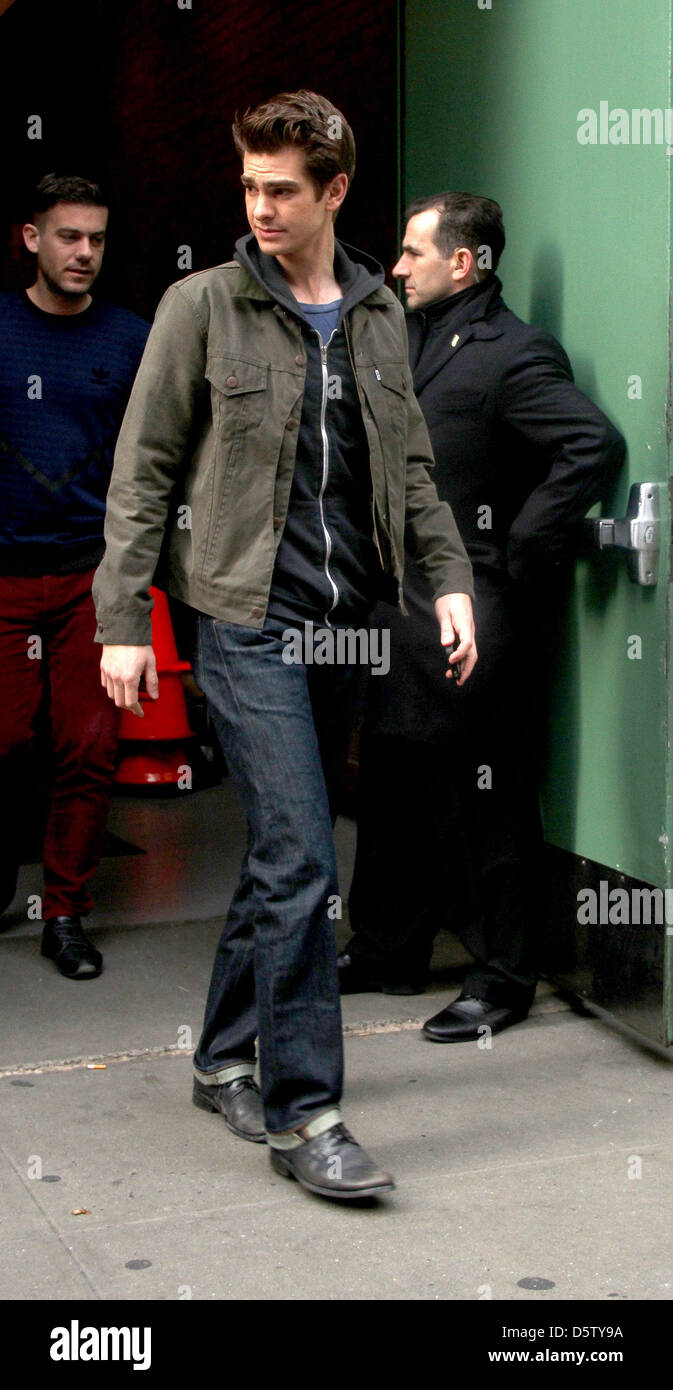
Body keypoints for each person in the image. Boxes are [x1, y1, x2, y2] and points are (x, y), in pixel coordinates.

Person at [93, 92, 476, 1202]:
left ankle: (221, 1056)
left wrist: (449, 578)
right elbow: (143, 469)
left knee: (281, 856)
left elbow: (406, 469)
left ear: (335, 191)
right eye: (249, 186)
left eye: (282, 190)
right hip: (243, 622)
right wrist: (125, 621)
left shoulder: (375, 318)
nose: (259, 207)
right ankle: (307, 1109)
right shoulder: (199, 307)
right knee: (306, 855)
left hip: (345, 626)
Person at [340, 192, 625, 1041]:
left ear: (463, 263)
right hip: (398, 611)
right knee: (389, 780)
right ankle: (389, 949)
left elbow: (592, 444)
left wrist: (523, 550)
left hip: (477, 613)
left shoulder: (515, 352)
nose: (396, 268)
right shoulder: (405, 338)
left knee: (485, 796)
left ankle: (504, 978)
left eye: (412, 254)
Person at [0, 174, 149, 978]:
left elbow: (163, 453)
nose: (83, 252)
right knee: (5, 737)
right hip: (2, 575)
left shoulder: (131, 339)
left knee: (90, 747)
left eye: (95, 238)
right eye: (67, 236)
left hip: (95, 578)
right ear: (33, 238)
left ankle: (64, 914)